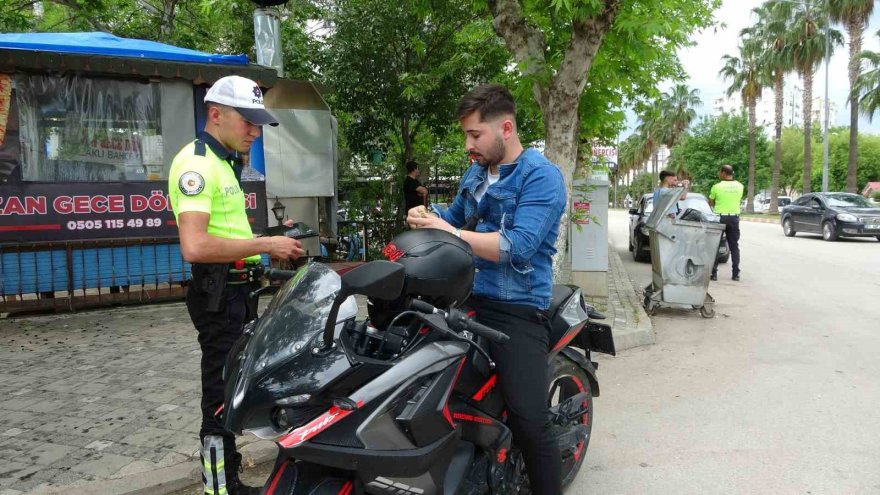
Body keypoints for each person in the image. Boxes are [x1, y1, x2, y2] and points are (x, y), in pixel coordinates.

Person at [407, 84, 567, 495]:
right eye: (465, 135)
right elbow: (457, 216)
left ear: (506, 128)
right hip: (464, 294)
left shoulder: (541, 177)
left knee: (530, 419)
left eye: (474, 135)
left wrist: (449, 230)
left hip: (515, 305)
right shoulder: (478, 172)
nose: (468, 145)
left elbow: (518, 246)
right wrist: (430, 215)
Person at [168, 75, 305, 495]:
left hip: (237, 290)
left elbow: (227, 233)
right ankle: (219, 486)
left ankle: (228, 475)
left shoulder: (224, 161)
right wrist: (265, 242)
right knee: (219, 394)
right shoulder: (197, 164)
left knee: (235, 387)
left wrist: (268, 243)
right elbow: (194, 245)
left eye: (257, 121)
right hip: (218, 294)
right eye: (246, 120)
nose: (254, 129)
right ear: (215, 114)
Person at [709, 164, 744, 281]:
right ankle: (735, 274)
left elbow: (711, 202)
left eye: (720, 172)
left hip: (719, 218)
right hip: (734, 219)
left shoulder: (716, 187)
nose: (719, 174)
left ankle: (713, 273)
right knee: (734, 246)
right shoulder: (740, 186)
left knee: (715, 246)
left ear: (724, 173)